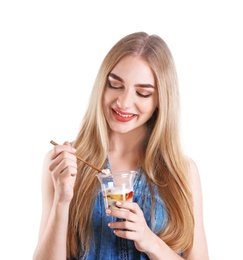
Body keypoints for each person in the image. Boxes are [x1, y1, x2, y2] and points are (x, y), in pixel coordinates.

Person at [33, 31, 209, 260]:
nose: (124, 102)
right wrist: (62, 200)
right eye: (115, 85)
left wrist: (149, 241)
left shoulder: (182, 171)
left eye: (143, 93)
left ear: (160, 100)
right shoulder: (64, 164)